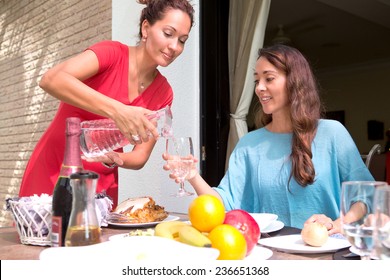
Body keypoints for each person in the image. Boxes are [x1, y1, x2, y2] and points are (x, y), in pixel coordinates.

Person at [164, 44, 374, 234]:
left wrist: (335, 224)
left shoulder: (333, 134)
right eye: (257, 80)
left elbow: (367, 196)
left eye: (269, 78)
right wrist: (192, 175)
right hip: (270, 253)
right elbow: (224, 204)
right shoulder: (249, 144)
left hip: (327, 252)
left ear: (294, 82)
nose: (259, 87)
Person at [19, 0, 195, 207]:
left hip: (100, 186)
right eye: (168, 33)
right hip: (55, 173)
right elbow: (51, 80)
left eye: (182, 40)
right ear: (146, 28)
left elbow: (140, 155)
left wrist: (114, 158)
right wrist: (118, 111)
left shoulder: (163, 93)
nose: (174, 46)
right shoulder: (110, 54)